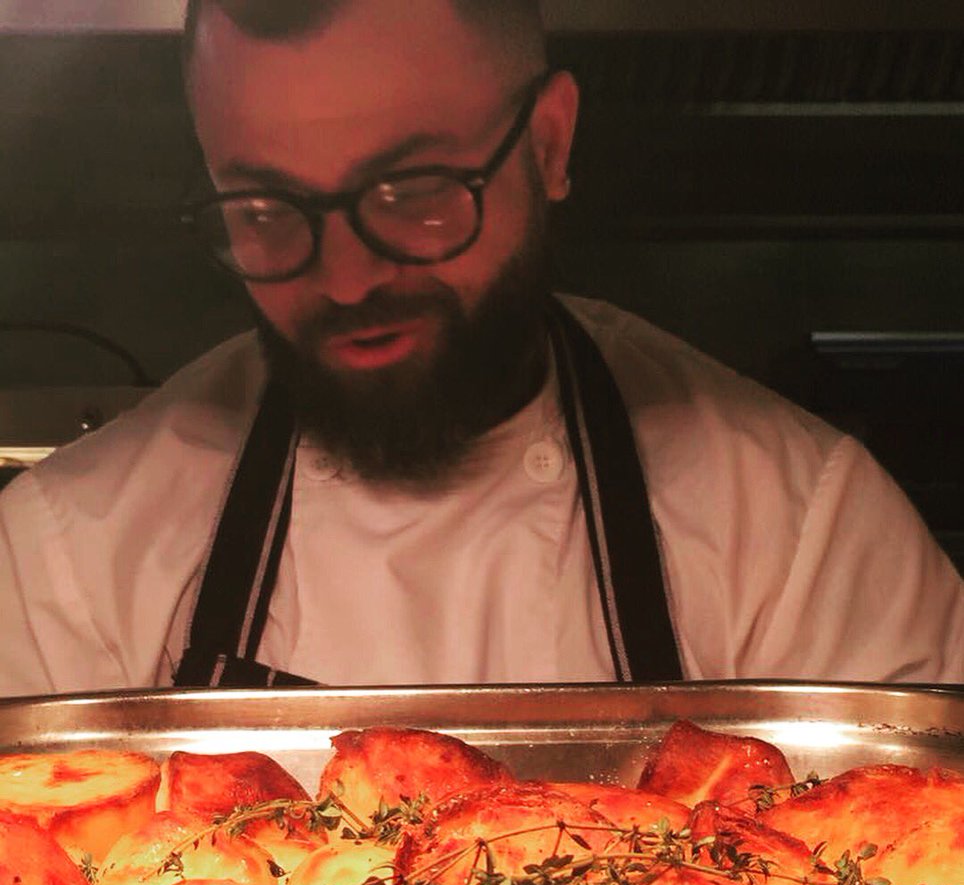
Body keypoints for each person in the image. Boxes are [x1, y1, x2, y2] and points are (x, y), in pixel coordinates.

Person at [0, 0, 961, 698]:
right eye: (264, 211)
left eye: (413, 192)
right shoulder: (67, 565)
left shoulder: (805, 545)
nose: (342, 280)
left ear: (548, 143)